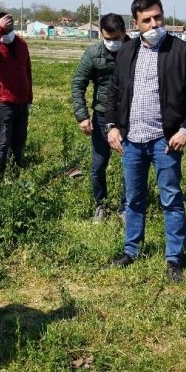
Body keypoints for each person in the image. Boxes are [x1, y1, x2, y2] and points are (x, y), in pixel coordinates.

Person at [105, 0, 186, 283]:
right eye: (146, 20)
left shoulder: (182, 51)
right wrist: (112, 127)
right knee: (134, 199)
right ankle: (131, 250)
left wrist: (185, 129)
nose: (154, 23)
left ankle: (173, 258)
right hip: (132, 141)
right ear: (135, 24)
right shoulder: (126, 52)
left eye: (157, 17)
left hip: (165, 140)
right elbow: (113, 92)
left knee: (171, 199)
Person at [71, 13, 130, 223]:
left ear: (125, 32)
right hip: (102, 116)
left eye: (116, 38)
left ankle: (126, 207)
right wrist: (82, 116)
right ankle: (101, 204)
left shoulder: (136, 50)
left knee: (130, 164)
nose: (112, 43)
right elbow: (78, 83)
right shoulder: (93, 53)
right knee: (98, 164)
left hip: (130, 117)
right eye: (107, 38)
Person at [0, 12, 33, 181]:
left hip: (21, 101)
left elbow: (27, 71)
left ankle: (14, 178)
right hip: (2, 102)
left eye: (9, 24)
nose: (7, 28)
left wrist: (29, 98)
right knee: (3, 143)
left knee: (19, 143)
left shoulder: (20, 43)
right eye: (4, 24)